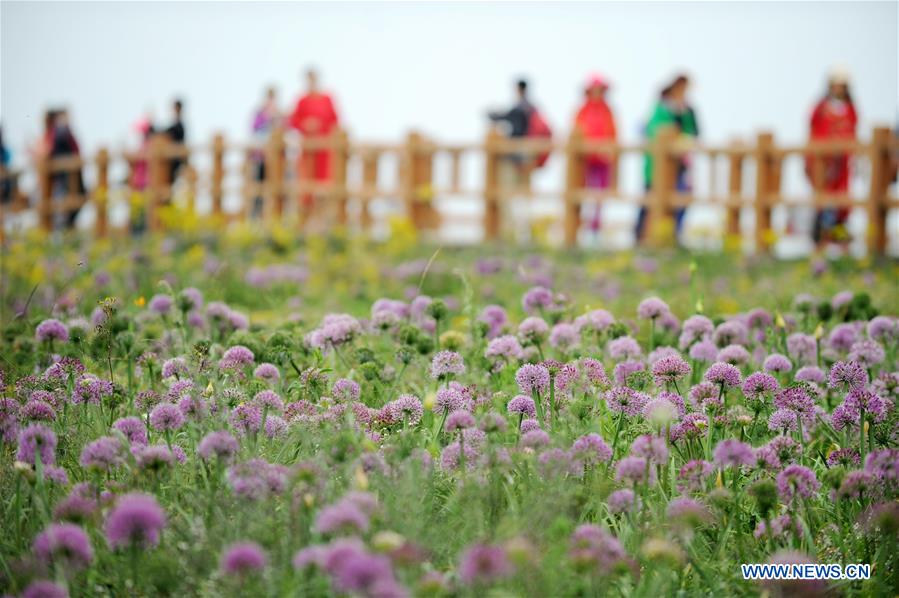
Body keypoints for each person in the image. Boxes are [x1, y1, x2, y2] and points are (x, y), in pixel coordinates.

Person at [637, 74, 699, 242]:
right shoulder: (662, 108)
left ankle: (674, 235)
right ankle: (642, 237)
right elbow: (654, 131)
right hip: (657, 165)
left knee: (681, 198)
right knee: (650, 199)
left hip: (681, 164)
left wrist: (685, 141)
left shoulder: (687, 110)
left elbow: (695, 131)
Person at [806, 67, 857, 248]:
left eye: (842, 86)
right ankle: (820, 242)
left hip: (842, 166)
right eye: (836, 85)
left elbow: (852, 132)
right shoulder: (822, 109)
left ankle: (841, 244)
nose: (839, 89)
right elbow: (814, 132)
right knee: (823, 202)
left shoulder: (849, 110)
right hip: (823, 164)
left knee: (841, 202)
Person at [289, 69, 339, 211]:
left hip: (325, 149)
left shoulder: (327, 99)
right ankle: (307, 212)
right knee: (306, 183)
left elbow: (335, 120)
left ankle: (324, 211)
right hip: (307, 150)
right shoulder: (302, 100)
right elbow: (293, 120)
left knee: (325, 182)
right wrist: (305, 124)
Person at [574, 73, 617, 235]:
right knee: (581, 192)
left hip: (603, 160)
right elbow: (576, 131)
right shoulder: (583, 110)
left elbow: (612, 132)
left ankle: (595, 228)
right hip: (585, 160)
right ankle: (580, 226)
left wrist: (609, 149)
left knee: (600, 194)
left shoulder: (607, 111)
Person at [40, 109, 86, 228]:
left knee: (63, 207)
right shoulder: (62, 131)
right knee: (65, 207)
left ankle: (64, 230)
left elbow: (49, 151)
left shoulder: (56, 133)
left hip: (63, 177)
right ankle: (64, 230)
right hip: (65, 177)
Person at [488, 79, 535, 187]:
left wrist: (492, 114)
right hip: (528, 148)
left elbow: (501, 117)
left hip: (517, 147)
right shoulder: (531, 107)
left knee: (510, 181)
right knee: (524, 183)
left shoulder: (519, 108)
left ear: (518, 89)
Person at [251, 86, 281, 217]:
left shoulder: (278, 113)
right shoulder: (260, 113)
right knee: (259, 186)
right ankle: (257, 214)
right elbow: (255, 129)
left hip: (276, 157)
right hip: (261, 156)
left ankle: (275, 215)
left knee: (277, 186)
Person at [165, 98, 187, 181]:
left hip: (177, 155)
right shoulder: (177, 123)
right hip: (175, 154)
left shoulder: (179, 124)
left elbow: (176, 133)